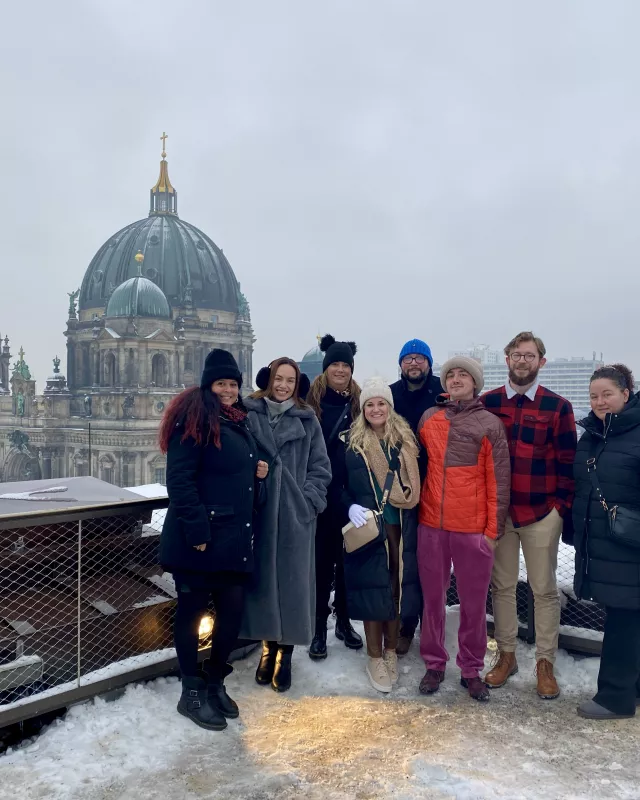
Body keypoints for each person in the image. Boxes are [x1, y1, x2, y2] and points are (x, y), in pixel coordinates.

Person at [158, 349, 268, 731]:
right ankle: (191, 693)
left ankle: (216, 682)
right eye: (221, 383)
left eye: (234, 383)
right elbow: (180, 481)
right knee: (190, 617)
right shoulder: (193, 421)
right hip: (198, 542)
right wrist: (198, 532)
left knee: (231, 616)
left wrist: (259, 474)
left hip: (234, 539)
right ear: (208, 385)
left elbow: (236, 479)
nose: (228, 389)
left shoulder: (240, 422)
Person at [482, 332, 576, 699]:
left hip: (541, 513)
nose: (523, 361)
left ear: (541, 362)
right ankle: (506, 656)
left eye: (530, 355)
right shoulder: (486, 402)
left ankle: (544, 663)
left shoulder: (558, 406)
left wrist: (559, 509)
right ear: (506, 359)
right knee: (501, 586)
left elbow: (568, 461)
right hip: (500, 512)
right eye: (516, 355)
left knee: (544, 589)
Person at [416, 358, 510, 700]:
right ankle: (434, 662)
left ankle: (471, 668)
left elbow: (498, 483)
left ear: (475, 382)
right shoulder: (429, 419)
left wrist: (491, 532)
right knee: (433, 600)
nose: (455, 379)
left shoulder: (489, 424)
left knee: (473, 604)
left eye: (463, 374)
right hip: (431, 524)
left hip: (472, 529)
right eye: (450, 374)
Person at [242, 357, 331, 692]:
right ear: (269, 380)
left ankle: (286, 655)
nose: (282, 386)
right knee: (263, 585)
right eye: (278, 379)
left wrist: (307, 503)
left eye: (289, 381)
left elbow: (321, 469)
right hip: (260, 515)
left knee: (293, 587)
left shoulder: (308, 421)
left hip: (296, 519)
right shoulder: (249, 414)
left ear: (297, 386)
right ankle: (268, 649)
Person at [339, 377, 421, 692]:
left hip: (401, 524)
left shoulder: (405, 441)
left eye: (381, 404)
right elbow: (339, 486)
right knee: (373, 591)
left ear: (390, 407)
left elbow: (414, 487)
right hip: (369, 526)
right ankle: (374, 655)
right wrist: (349, 508)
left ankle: (390, 651)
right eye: (370, 404)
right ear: (363, 409)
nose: (376, 409)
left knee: (395, 589)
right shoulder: (351, 443)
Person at [572, 364, 640, 720]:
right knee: (628, 616)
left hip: (630, 544)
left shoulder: (632, 432)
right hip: (606, 541)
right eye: (594, 396)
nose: (600, 401)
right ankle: (632, 687)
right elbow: (583, 484)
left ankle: (615, 697)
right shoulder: (595, 433)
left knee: (623, 619)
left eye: (607, 394)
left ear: (625, 394)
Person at [306, 334, 364, 658]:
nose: (340, 370)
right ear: (326, 368)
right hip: (321, 499)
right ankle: (318, 629)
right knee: (321, 565)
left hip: (352, 499)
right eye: (335, 364)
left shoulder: (359, 403)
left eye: (346, 365)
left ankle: (343, 620)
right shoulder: (310, 403)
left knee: (347, 563)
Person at [390, 338, 442, 654]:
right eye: (408, 359)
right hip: (403, 489)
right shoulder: (391, 395)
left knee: (434, 563)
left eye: (419, 359)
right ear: (401, 364)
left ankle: (434, 631)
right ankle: (407, 625)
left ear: (428, 363)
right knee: (406, 560)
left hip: (439, 487)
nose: (413, 364)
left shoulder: (443, 392)